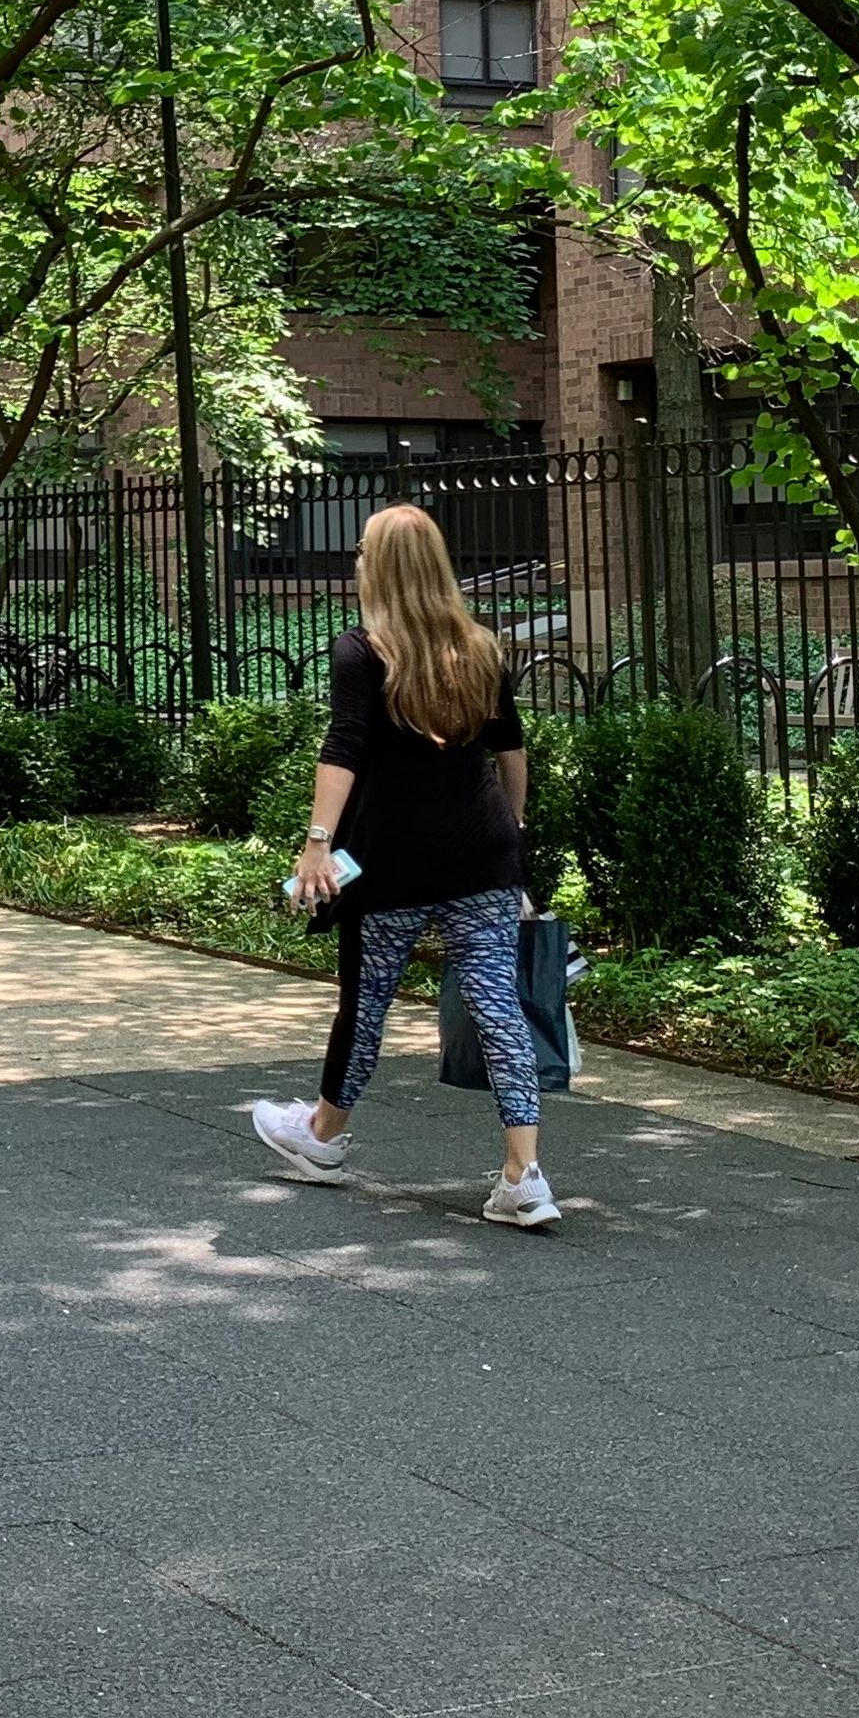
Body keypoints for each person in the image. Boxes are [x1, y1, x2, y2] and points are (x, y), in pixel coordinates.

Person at [250, 503, 559, 1230]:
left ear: (381, 566)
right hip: (481, 857)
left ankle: (323, 1138)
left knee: (368, 1001)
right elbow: (511, 753)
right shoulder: (481, 647)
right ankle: (524, 1174)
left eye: (362, 551)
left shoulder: (363, 650)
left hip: (389, 860)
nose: (356, 561)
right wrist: (510, 832)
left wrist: (317, 841)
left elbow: (344, 747)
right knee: (497, 1008)